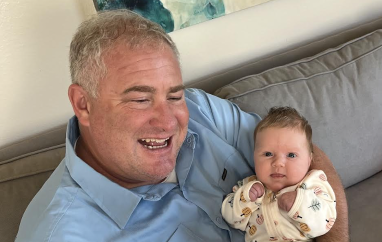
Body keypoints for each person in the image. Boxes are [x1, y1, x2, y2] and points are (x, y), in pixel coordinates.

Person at [16, 9, 348, 242]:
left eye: (173, 95)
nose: (167, 121)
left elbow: (300, 151)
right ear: (83, 104)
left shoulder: (200, 108)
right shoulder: (62, 233)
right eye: (140, 99)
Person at [222, 107, 336, 241]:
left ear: (309, 160)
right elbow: (231, 219)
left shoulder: (313, 183)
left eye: (291, 155)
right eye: (268, 154)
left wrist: (298, 202)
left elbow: (324, 223)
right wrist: (246, 197)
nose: (278, 163)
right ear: (254, 158)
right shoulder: (249, 185)